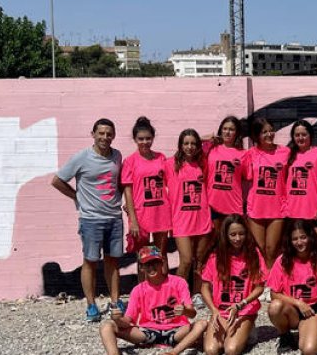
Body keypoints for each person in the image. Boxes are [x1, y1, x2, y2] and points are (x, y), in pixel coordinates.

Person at [51, 117, 125, 322]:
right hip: (91, 219)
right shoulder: (81, 157)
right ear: (93, 134)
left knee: (113, 261)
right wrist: (76, 196)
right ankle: (91, 305)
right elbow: (57, 181)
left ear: (114, 136)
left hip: (114, 217)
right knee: (90, 261)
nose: (105, 137)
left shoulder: (117, 156)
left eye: (109, 133)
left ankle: (115, 301)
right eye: (101, 133)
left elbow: (117, 182)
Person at [101, 245, 207, 355]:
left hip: (176, 331)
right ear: (141, 268)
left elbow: (192, 314)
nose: (151, 267)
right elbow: (128, 321)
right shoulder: (138, 290)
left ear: (162, 262)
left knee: (202, 324)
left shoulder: (178, 282)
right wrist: (118, 319)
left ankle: (174, 352)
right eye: (147, 264)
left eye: (155, 263)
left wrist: (185, 311)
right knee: (107, 326)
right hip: (147, 332)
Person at [267, 219, 317, 355]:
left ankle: (311, 331)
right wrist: (299, 303)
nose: (299, 242)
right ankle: (285, 335)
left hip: (312, 310)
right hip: (291, 310)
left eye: (303, 237)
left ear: (310, 237)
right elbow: (274, 293)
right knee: (274, 306)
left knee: (309, 350)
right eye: (295, 239)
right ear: (289, 241)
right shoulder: (282, 260)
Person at [200, 214, 266, 355]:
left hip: (244, 310)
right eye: (233, 234)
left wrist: (241, 304)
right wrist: (214, 311)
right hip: (221, 311)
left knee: (231, 350)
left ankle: (248, 330)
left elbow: (260, 287)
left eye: (241, 234)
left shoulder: (254, 254)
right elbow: (204, 288)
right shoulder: (215, 256)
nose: (237, 238)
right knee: (211, 351)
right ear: (226, 235)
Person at [168, 128, 211, 301]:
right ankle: (177, 294)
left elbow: (211, 143)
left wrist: (205, 139)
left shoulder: (203, 163)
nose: (190, 147)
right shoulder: (170, 164)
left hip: (202, 218)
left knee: (200, 260)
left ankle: (197, 293)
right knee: (186, 260)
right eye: (186, 143)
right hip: (181, 220)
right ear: (180, 145)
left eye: (193, 143)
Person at [121, 116, 171, 255]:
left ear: (153, 138)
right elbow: (128, 192)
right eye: (141, 139)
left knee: (160, 255)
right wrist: (133, 221)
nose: (145, 142)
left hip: (161, 213)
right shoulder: (130, 161)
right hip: (141, 216)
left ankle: (163, 278)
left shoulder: (161, 157)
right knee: (145, 259)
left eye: (148, 138)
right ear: (135, 139)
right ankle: (144, 279)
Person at [243, 116, 288, 263]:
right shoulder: (250, 153)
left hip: (277, 208)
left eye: (271, 130)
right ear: (257, 136)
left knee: (271, 249)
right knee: (259, 249)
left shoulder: (285, 152)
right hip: (256, 208)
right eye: (264, 132)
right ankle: (262, 283)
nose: (269, 134)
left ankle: (270, 284)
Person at [283, 120, 317, 236]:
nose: (300, 138)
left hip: (313, 211)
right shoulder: (288, 155)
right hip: (292, 211)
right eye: (297, 135)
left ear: (311, 135)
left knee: (315, 250)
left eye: (304, 134)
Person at [206, 116, 246, 239]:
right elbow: (187, 148)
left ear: (237, 133)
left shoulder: (244, 154)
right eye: (225, 128)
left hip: (233, 205)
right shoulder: (211, 149)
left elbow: (248, 178)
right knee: (215, 242)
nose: (227, 132)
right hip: (213, 204)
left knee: (231, 243)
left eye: (231, 129)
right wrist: (205, 139)